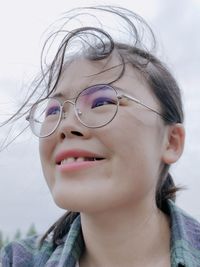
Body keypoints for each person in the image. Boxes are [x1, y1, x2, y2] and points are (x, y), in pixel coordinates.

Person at [0, 5, 200, 267]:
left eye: (101, 102)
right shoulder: (16, 260)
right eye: (53, 110)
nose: (65, 125)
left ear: (171, 141)